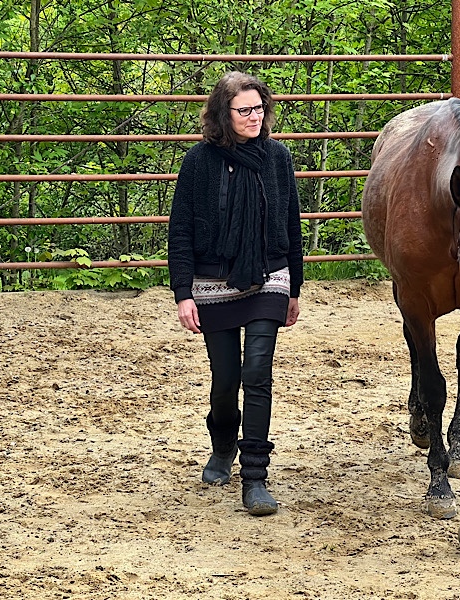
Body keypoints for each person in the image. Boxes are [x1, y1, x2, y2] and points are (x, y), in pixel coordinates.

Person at [167, 71, 303, 516]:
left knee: (257, 374)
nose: (253, 117)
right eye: (244, 110)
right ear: (223, 115)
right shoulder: (199, 162)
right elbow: (182, 230)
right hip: (212, 281)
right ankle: (222, 442)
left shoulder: (278, 157)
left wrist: (294, 288)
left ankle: (255, 476)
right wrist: (183, 292)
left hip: (270, 276)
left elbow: (291, 224)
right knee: (225, 382)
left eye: (259, 109)